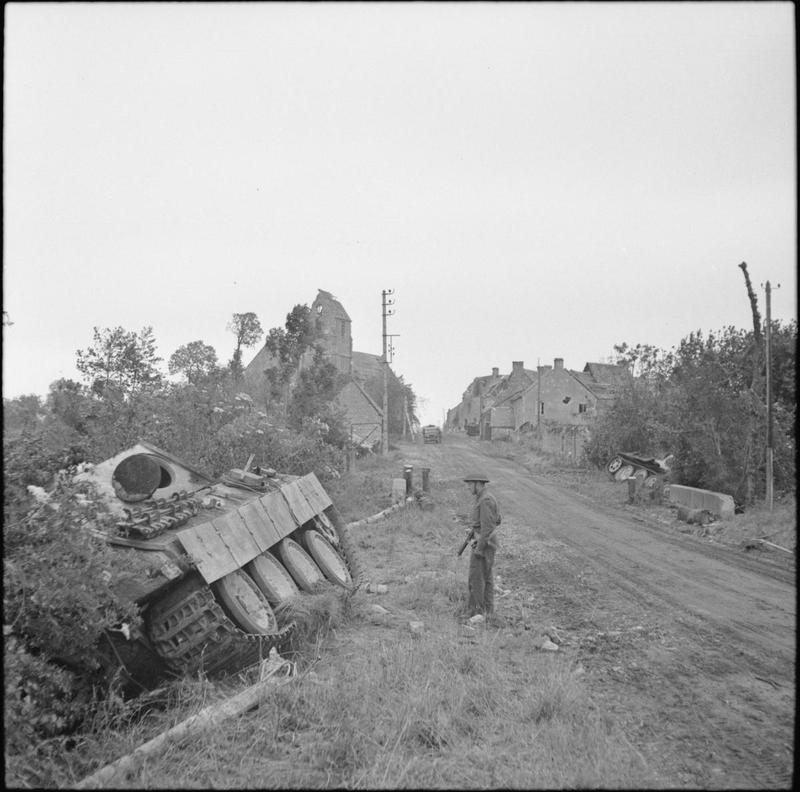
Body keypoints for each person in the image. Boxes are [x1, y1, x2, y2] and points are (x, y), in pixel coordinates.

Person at [462, 472, 501, 618]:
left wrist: (479, 548)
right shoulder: (483, 498)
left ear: (478, 484)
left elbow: (488, 528)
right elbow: (497, 519)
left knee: (476, 578)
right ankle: (488, 613)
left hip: (484, 545)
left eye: (470, 484)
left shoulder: (485, 500)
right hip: (485, 543)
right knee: (487, 578)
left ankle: (476, 613)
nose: (468, 487)